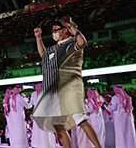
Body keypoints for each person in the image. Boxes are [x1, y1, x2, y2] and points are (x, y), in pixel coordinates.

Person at [32, 17, 103, 148]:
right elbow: (44, 55)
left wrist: (71, 25)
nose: (53, 33)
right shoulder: (54, 48)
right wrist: (38, 38)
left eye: (56, 30)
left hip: (69, 87)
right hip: (54, 90)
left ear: (65, 30)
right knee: (59, 126)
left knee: (81, 119)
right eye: (52, 31)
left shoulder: (71, 43)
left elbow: (82, 42)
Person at [29, 84, 55, 148]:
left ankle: (38, 144)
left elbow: (31, 104)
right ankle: (46, 144)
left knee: (39, 130)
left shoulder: (34, 94)